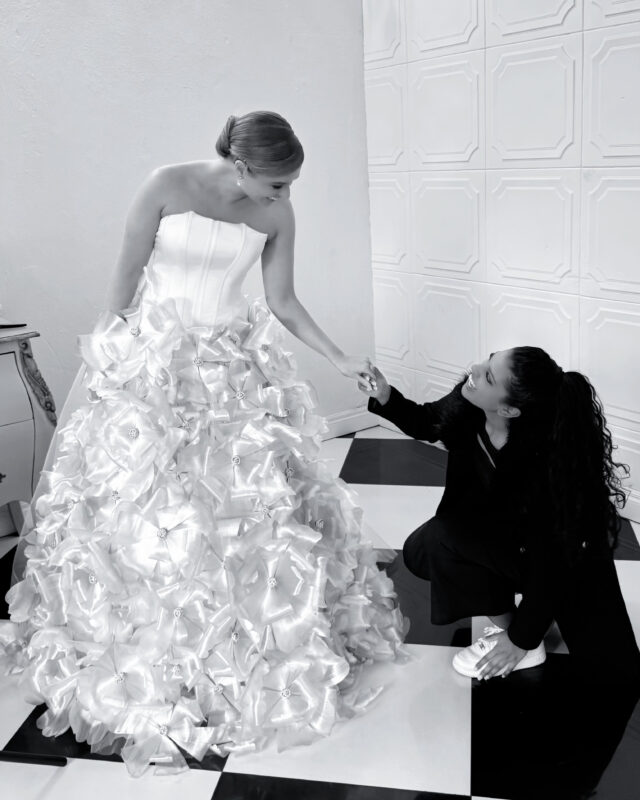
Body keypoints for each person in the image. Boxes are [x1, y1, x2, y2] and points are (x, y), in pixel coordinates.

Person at [0, 111, 408, 776]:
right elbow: (124, 283)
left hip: (232, 368)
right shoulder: (166, 184)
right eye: (276, 184)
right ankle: (153, 645)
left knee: (249, 509)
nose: (284, 196)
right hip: (158, 362)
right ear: (240, 165)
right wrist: (114, 361)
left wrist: (338, 356)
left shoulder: (277, 215)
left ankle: (247, 641)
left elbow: (282, 299)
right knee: (154, 502)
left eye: (290, 185)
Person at [360, 348, 640, 688]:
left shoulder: (547, 466)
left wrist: (522, 639)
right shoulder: (469, 406)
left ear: (509, 409)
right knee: (427, 547)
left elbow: (552, 561)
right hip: (512, 544)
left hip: (561, 563)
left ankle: (525, 642)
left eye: (489, 376)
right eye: (487, 360)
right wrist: (386, 396)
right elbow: (427, 421)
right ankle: (517, 627)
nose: (475, 369)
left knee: (610, 676)